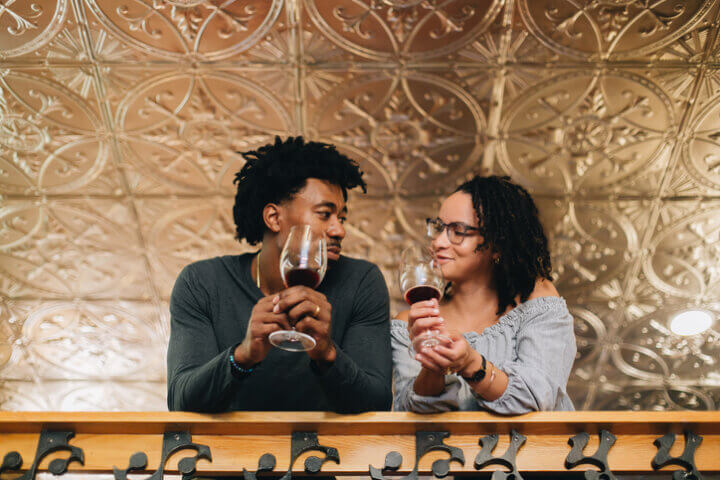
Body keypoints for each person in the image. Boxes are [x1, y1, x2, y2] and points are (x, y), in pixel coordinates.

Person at [167, 136, 392, 413]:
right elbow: (181, 402)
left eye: (342, 218)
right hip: (232, 455)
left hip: (330, 455)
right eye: (325, 214)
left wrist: (326, 354)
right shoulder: (201, 282)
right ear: (274, 218)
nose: (339, 230)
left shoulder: (361, 281)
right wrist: (244, 356)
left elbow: (378, 404)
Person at [392, 175, 576, 413]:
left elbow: (538, 398)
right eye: (438, 228)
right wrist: (432, 366)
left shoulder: (537, 303)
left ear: (497, 244)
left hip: (537, 450)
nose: (437, 242)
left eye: (457, 231)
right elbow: (407, 415)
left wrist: (470, 363)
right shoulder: (410, 323)